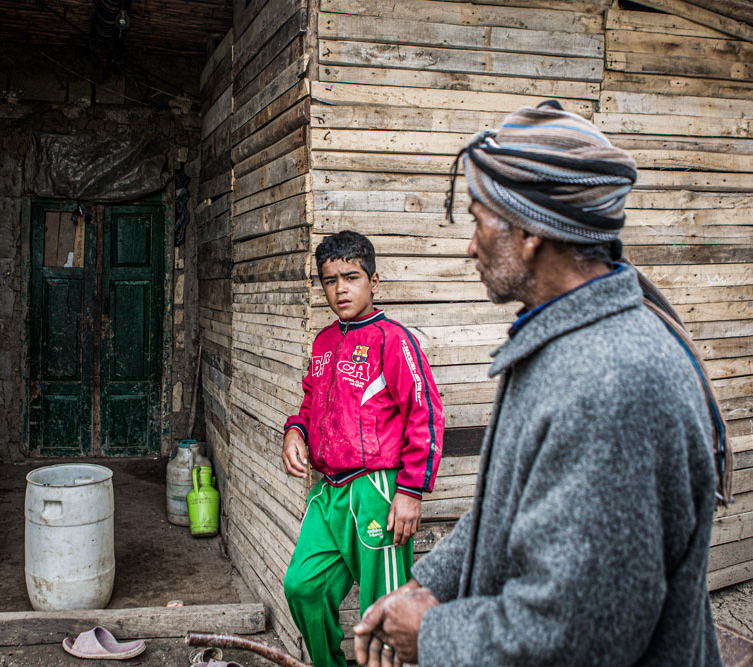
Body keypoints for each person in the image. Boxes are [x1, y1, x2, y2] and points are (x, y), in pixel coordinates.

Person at [354, 101, 729, 666]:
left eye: (479, 221)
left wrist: (433, 632)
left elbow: (581, 633)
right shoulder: (564, 342)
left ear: (530, 232)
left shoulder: (611, 383)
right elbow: (508, 507)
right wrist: (423, 585)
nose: (470, 246)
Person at [281, 230, 445, 667]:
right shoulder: (324, 342)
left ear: (375, 281)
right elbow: (311, 402)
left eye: (351, 277)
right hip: (328, 492)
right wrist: (295, 430)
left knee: (384, 609)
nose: (340, 290)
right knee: (303, 586)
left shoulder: (394, 340)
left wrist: (410, 492)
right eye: (330, 280)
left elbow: (426, 414)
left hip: (377, 492)